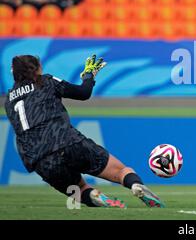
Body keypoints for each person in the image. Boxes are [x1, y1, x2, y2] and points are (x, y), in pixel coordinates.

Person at [4, 54, 164, 208]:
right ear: (36, 69)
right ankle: (135, 185)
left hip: (40, 160)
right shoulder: (46, 81)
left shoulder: (9, 101)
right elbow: (83, 93)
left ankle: (95, 196)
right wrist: (89, 75)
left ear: (14, 73)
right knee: (121, 171)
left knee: (79, 190)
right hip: (67, 142)